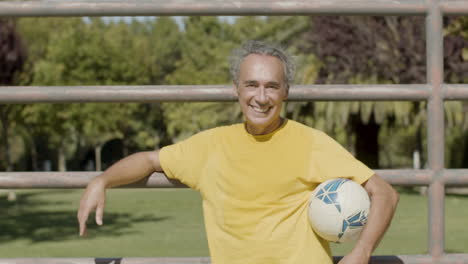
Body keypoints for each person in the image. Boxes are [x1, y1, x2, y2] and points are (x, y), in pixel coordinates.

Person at [77, 40, 399, 264]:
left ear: (285, 92)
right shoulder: (210, 146)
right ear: (236, 89)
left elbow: (384, 193)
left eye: (272, 86)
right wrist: (102, 180)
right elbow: (148, 160)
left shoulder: (311, 142)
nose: (261, 97)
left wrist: (361, 252)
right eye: (251, 85)